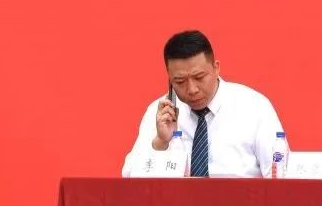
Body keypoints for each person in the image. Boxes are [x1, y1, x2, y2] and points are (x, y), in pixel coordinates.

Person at [121, 30, 284, 178]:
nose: (192, 89)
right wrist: (160, 143)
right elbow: (130, 178)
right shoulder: (161, 113)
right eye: (180, 81)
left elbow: (280, 175)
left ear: (216, 68)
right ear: (170, 80)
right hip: (176, 201)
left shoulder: (254, 107)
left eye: (199, 77)